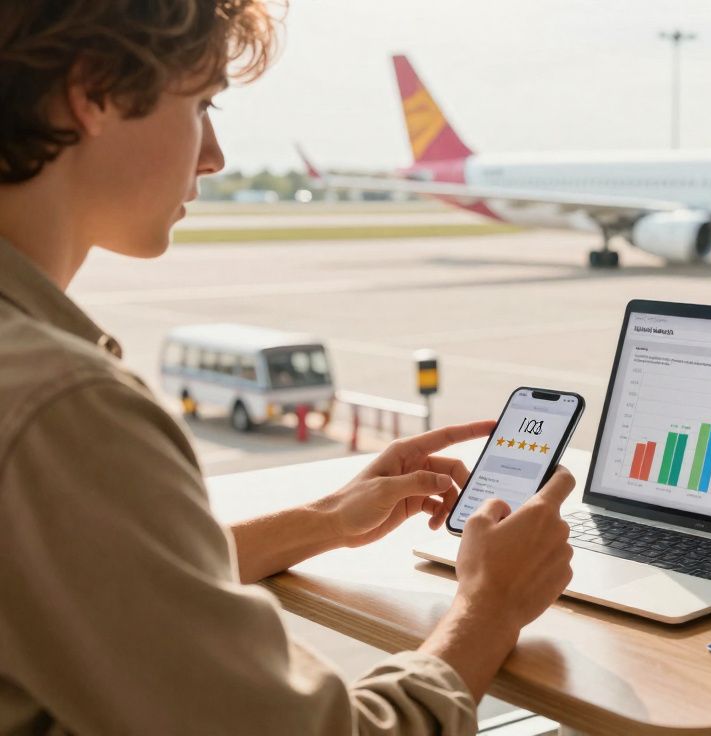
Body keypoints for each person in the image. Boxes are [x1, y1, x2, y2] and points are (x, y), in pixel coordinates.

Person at [0, 2, 574, 733]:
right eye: (202, 104)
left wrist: (325, 519)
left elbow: (98, 582)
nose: (215, 154)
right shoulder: (61, 408)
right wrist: (487, 608)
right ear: (95, 92)